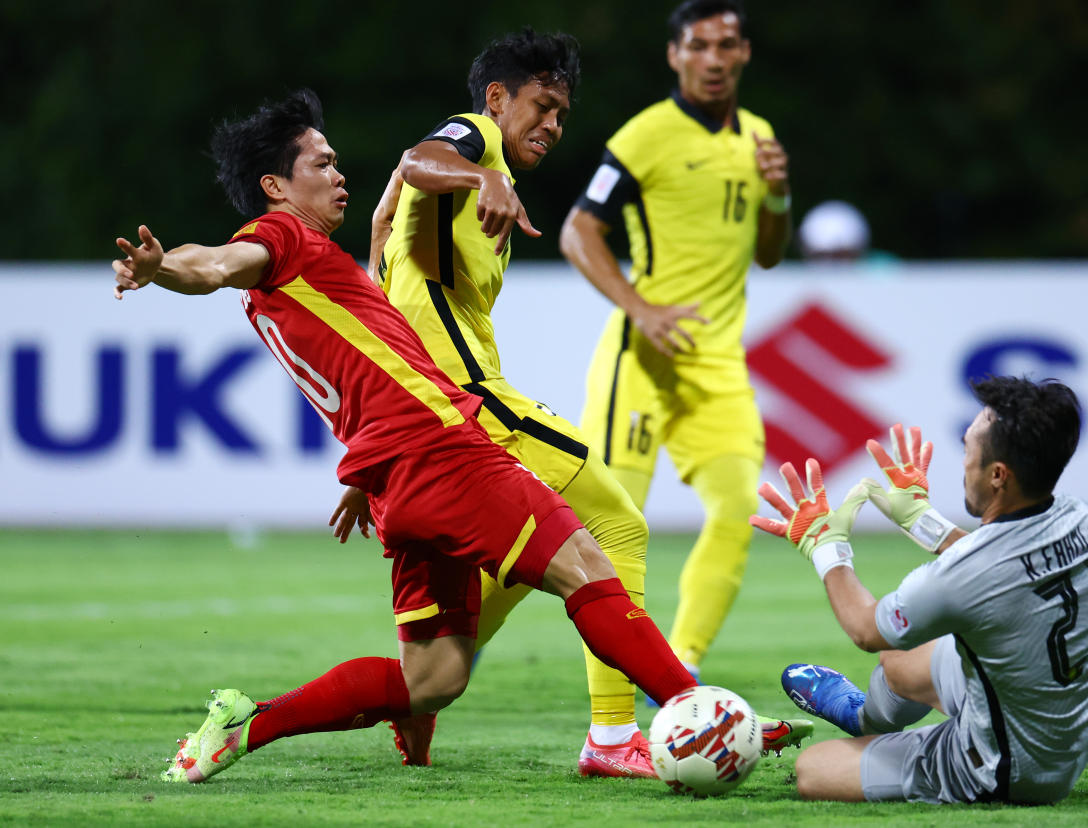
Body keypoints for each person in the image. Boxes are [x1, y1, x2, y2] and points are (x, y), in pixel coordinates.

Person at [110, 88, 699, 783]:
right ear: (275, 187)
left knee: (433, 678)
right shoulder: (281, 237)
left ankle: (248, 724)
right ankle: (702, 714)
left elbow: (366, 352)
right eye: (321, 164)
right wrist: (163, 269)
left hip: (393, 483)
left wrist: (365, 476)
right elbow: (212, 263)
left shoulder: (305, 280)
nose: (338, 175)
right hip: (443, 450)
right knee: (590, 563)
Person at [342, 28, 809, 777]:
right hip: (468, 401)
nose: (553, 126)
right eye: (542, 105)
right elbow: (421, 159)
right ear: (498, 99)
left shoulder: (452, 187)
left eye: (561, 113)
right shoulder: (474, 144)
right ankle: (626, 730)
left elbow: (395, 210)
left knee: (542, 553)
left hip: (439, 413)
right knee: (614, 518)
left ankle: (416, 699)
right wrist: (477, 175)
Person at [560, 0, 790, 690]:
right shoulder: (646, 136)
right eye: (698, 46)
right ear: (675, 56)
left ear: (744, 52)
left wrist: (777, 198)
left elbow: (770, 255)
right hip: (643, 360)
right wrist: (642, 307)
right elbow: (578, 231)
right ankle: (462, 646)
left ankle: (680, 673)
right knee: (606, 530)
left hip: (717, 365)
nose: (713, 59)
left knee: (737, 511)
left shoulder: (759, 137)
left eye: (726, 45)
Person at [751, 377, 1088, 804]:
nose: (962, 464)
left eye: (968, 451)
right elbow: (1002, 570)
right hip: (1079, 723)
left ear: (998, 475)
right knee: (901, 657)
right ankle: (863, 717)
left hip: (1012, 769)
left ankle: (936, 745)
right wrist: (924, 522)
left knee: (811, 770)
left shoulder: (964, 574)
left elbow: (867, 631)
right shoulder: (1081, 518)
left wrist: (825, 548)